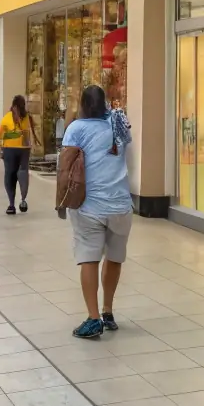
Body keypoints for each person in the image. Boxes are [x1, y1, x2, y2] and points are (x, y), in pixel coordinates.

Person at [61, 85, 132, 340]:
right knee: (114, 257)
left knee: (89, 259)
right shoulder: (117, 125)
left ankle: (93, 319)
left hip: (89, 206)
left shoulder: (77, 128)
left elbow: (66, 164)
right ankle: (108, 311)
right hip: (121, 205)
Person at [0, 95, 37, 214]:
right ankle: (23, 199)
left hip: (9, 149)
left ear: (13, 105)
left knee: (10, 175)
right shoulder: (28, 117)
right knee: (23, 173)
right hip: (24, 149)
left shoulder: (7, 117)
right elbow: (29, 133)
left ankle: (11, 205)